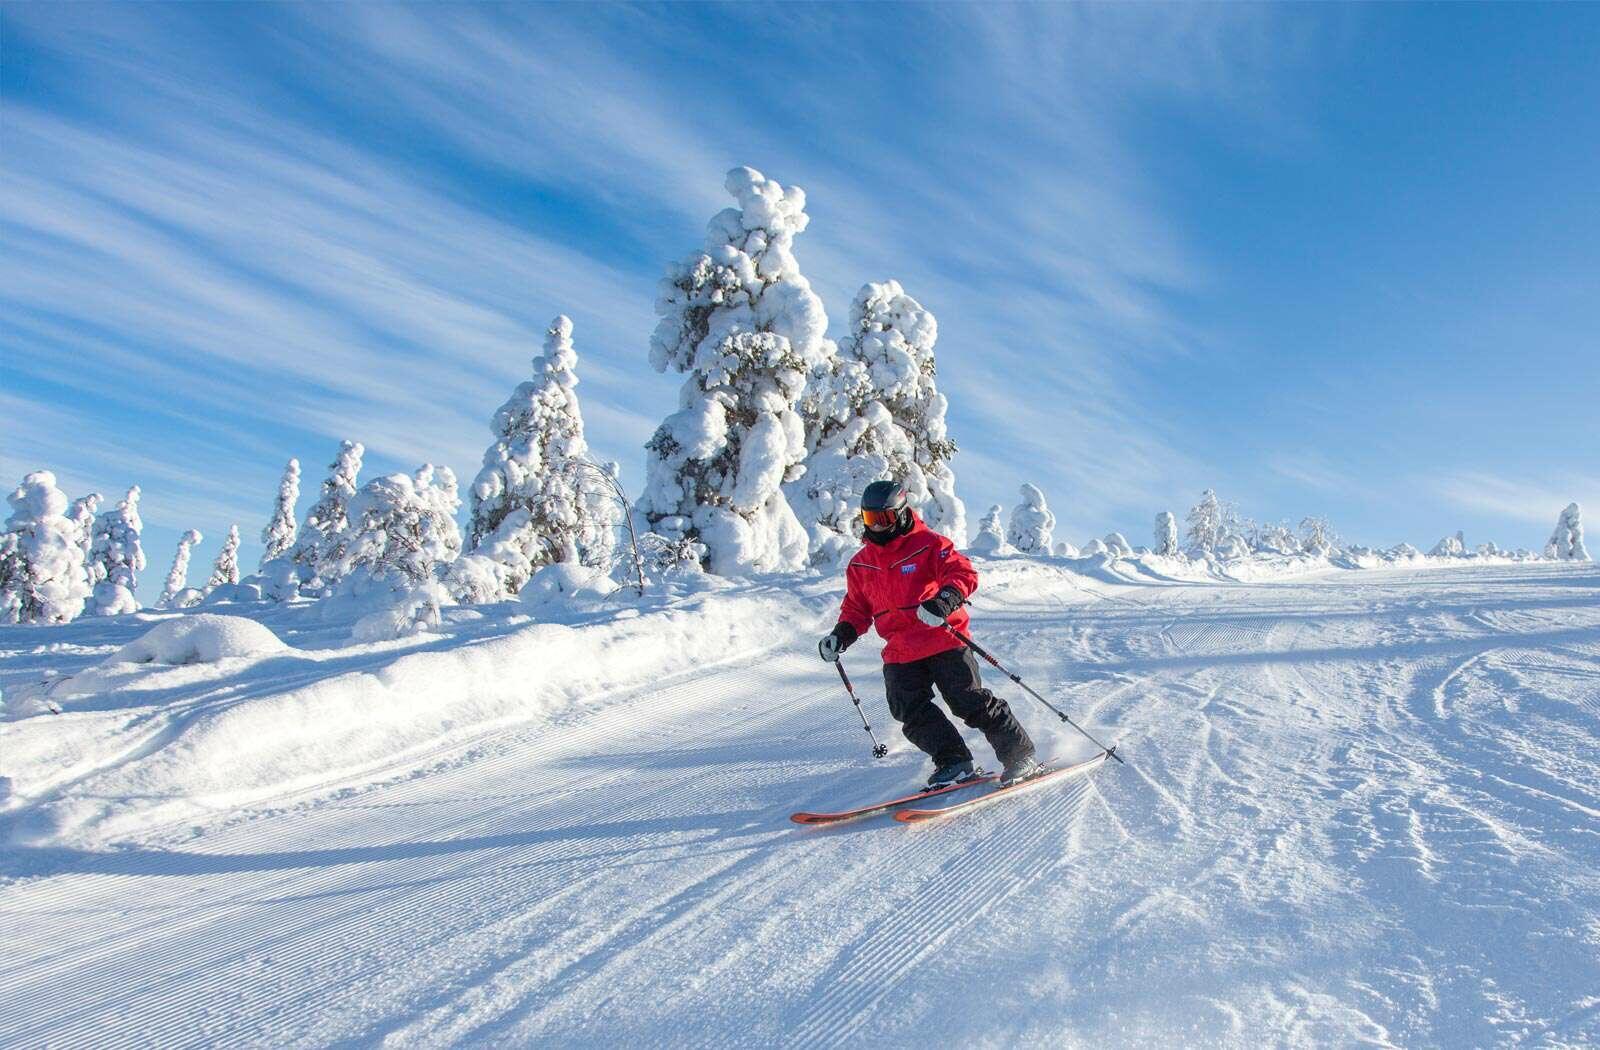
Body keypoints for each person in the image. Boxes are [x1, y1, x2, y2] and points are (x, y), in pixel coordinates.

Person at [818, 480, 1042, 788]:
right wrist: (841, 635)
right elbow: (856, 609)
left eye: (883, 519)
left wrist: (945, 600)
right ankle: (954, 762)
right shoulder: (861, 564)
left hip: (942, 638)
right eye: (870, 520)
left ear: (900, 513)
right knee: (908, 710)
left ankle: (1020, 755)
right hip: (899, 649)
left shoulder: (929, 544)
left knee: (967, 701)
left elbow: (962, 573)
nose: (877, 527)